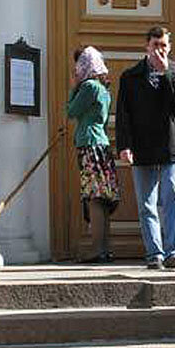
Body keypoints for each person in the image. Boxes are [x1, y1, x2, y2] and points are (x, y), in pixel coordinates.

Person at [116, 26, 175, 269]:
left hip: (172, 146)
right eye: (155, 45)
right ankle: (154, 254)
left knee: (174, 195)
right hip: (143, 146)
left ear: (169, 47)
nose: (160, 50)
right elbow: (123, 114)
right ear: (147, 47)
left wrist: (165, 73)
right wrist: (124, 145)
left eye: (164, 45)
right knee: (147, 203)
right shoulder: (130, 77)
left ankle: (173, 251)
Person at [66, 46, 119, 263]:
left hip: (89, 145)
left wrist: (74, 87)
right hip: (102, 145)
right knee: (102, 199)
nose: (76, 69)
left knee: (94, 198)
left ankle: (96, 249)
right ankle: (104, 249)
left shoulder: (88, 86)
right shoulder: (104, 89)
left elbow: (71, 111)